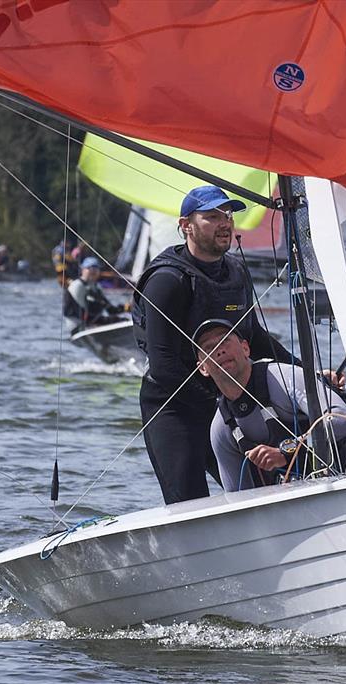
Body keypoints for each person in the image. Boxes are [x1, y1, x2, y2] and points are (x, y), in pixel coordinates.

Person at [131, 185, 298, 505]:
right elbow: (164, 366)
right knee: (189, 503)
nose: (225, 222)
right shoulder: (167, 280)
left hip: (226, 405)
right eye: (211, 216)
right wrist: (224, 404)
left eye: (228, 215)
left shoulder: (235, 271)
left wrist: (305, 373)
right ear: (186, 226)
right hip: (174, 409)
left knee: (259, 495)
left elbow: (254, 338)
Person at [194, 320, 346, 491]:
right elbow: (237, 498)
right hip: (300, 502)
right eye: (209, 348)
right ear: (203, 368)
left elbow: (343, 418)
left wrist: (287, 452)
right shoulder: (220, 429)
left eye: (225, 341)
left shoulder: (282, 377)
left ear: (245, 348)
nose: (219, 351)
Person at [65, 256, 127, 326]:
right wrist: (107, 320)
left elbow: (111, 309)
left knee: (123, 320)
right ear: (83, 270)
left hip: (95, 324)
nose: (93, 270)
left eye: (96, 268)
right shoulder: (76, 286)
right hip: (79, 328)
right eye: (90, 268)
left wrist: (127, 308)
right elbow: (77, 313)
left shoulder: (97, 287)